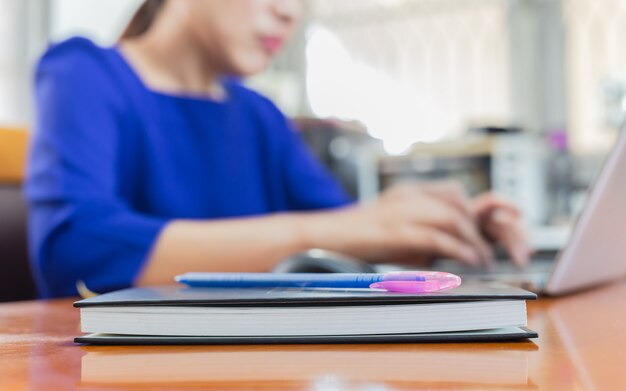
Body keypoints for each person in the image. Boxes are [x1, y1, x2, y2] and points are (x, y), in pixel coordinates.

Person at [26, 0, 530, 298]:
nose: (288, 12)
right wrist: (357, 227)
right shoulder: (84, 72)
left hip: (261, 374)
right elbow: (78, 250)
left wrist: (440, 230)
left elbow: (348, 237)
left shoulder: (258, 115)